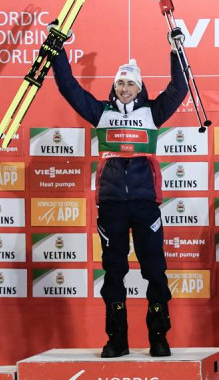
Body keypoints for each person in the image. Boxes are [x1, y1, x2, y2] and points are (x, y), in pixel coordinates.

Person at [49, 26, 188, 358]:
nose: (125, 88)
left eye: (130, 83)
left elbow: (180, 87)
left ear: (139, 87)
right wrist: (58, 52)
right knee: (114, 270)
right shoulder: (101, 113)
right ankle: (117, 339)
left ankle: (158, 336)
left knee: (154, 267)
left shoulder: (152, 112)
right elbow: (69, 88)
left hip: (144, 203)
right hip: (111, 203)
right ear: (114, 87)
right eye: (120, 83)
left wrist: (176, 50)